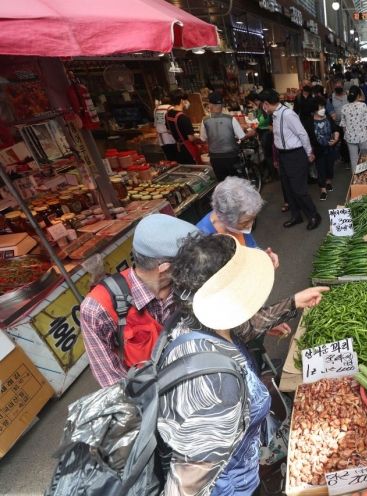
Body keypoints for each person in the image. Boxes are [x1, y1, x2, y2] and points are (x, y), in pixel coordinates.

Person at [160, 234, 329, 495]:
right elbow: (187, 483)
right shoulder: (215, 382)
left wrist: (292, 303)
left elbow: (241, 329)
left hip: (245, 467)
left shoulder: (194, 322)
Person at [80, 214, 199, 387]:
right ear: (165, 267)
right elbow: (112, 381)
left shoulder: (186, 282)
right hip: (150, 393)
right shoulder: (98, 308)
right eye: (188, 261)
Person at [262, 90, 321, 230]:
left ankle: (314, 215)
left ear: (266, 104)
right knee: (288, 189)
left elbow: (302, 134)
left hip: (295, 155)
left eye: (263, 106)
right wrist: (277, 157)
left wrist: (309, 152)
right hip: (283, 155)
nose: (263, 109)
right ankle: (296, 216)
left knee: (299, 189)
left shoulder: (288, 114)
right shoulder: (275, 115)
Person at [200, 92, 252, 182]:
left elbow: (203, 138)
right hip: (231, 157)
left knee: (222, 183)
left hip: (215, 158)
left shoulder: (205, 120)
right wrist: (250, 133)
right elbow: (242, 137)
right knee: (235, 182)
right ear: (222, 105)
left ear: (210, 105)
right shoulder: (230, 119)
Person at [310, 99, 341, 200]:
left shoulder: (328, 117)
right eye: (320, 108)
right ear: (314, 110)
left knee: (329, 166)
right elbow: (308, 137)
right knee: (320, 168)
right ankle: (322, 189)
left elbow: (335, 129)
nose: (322, 109)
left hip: (330, 147)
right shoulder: (310, 121)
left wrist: (336, 139)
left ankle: (328, 182)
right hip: (318, 149)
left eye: (323, 107)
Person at [340, 85, 367, 169]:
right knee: (366, 157)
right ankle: (365, 177)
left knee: (353, 159)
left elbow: (343, 125)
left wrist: (346, 136)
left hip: (350, 137)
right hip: (363, 136)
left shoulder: (344, 108)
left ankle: (355, 180)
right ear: (358, 95)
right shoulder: (362, 105)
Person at [165, 89, 200, 164]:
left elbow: (169, 131)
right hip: (188, 151)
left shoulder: (167, 114)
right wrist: (199, 136)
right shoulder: (184, 118)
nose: (187, 101)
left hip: (178, 149)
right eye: (186, 99)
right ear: (181, 101)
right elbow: (191, 138)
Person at [153, 94, 179, 162]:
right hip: (170, 136)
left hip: (161, 137)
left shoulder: (156, 109)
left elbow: (157, 124)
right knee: (176, 156)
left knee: (168, 157)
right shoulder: (171, 108)